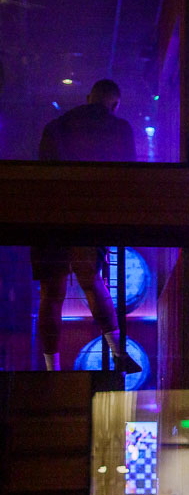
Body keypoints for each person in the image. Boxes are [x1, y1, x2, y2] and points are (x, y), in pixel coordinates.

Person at [32, 79, 139, 374]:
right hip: (90, 216)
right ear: (114, 103)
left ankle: (51, 370)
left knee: (50, 295)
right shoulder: (120, 129)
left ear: (88, 97)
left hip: (51, 218)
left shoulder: (56, 127)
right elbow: (129, 176)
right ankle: (118, 352)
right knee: (94, 283)